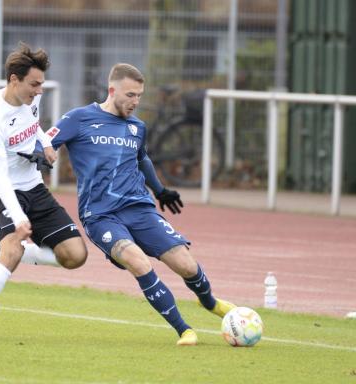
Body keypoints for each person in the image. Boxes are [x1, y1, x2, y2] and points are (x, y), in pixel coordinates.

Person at [48, 63, 235, 346]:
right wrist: (42, 154)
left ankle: (209, 302)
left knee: (186, 265)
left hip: (140, 209)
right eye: (130, 95)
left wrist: (160, 190)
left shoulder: (137, 127)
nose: (135, 102)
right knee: (139, 262)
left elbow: (142, 158)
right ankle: (184, 330)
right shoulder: (79, 118)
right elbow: (47, 140)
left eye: (139, 96)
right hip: (100, 215)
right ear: (112, 91)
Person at [0, 42, 88, 340]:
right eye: (34, 84)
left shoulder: (29, 99)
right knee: (13, 245)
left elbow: (33, 124)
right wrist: (18, 217)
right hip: (1, 192)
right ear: (14, 80)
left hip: (34, 187)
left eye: (41, 84)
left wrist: (46, 144)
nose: (39, 90)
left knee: (75, 255)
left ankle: (17, 251)